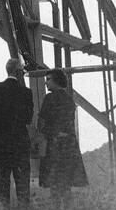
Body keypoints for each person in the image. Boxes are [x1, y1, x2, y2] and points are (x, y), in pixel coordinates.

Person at [0, 58, 34, 210]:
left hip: (1, 140)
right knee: (22, 178)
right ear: (18, 71)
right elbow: (28, 119)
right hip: (20, 140)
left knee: (2, 177)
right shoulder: (26, 92)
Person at [37, 69, 87, 203]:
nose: (46, 83)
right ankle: (67, 208)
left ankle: (57, 208)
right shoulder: (69, 99)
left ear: (56, 81)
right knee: (65, 179)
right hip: (68, 143)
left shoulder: (49, 98)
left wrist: (41, 136)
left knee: (54, 179)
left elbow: (42, 121)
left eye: (48, 79)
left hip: (54, 142)